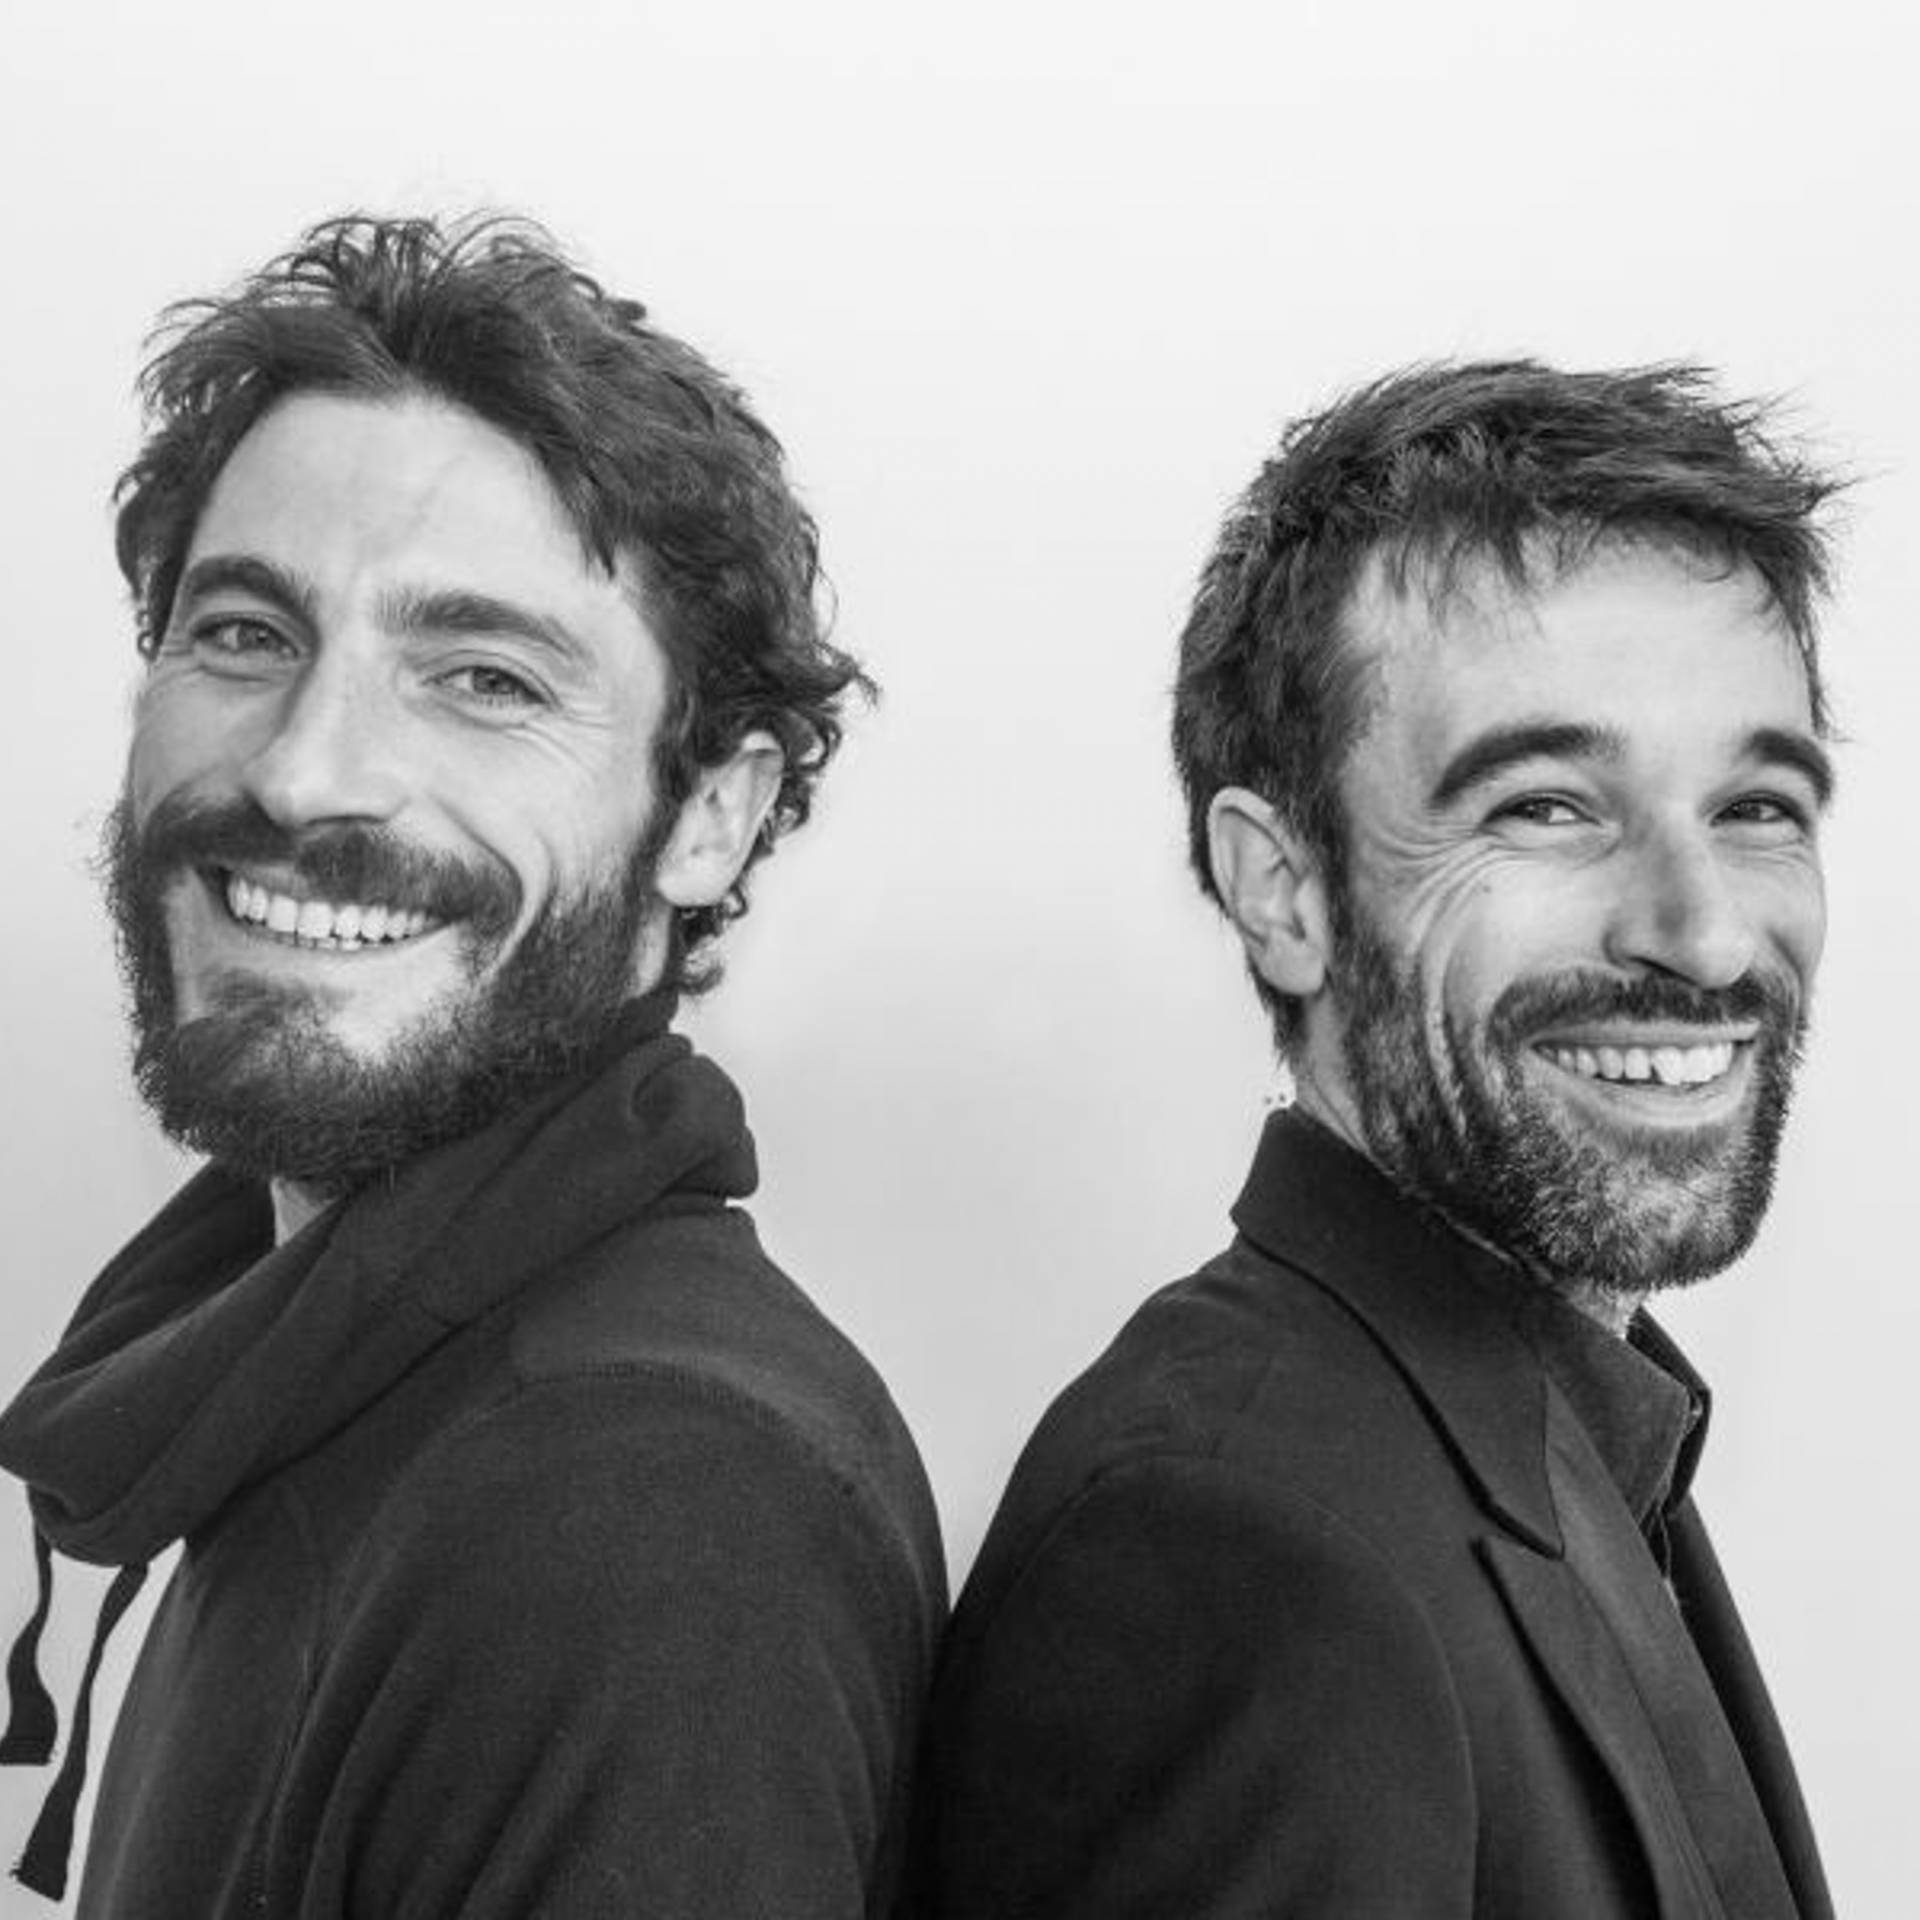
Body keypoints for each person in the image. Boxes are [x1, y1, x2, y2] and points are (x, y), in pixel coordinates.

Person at [0, 213, 945, 1916]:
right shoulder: (312, 1356)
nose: (306, 774)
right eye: (245, 634)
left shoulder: (640, 1505)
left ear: (711, 816)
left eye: (485, 679)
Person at [914, 361, 1839, 1917]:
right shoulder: (1235, 1560)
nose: (1704, 933)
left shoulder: (1561, 1436)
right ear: (1284, 891)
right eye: (1546, 806)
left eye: (1757, 806)